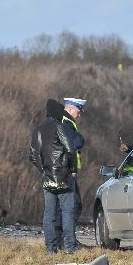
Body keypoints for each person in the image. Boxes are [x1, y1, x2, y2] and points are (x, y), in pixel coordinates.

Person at [29, 99, 77, 254]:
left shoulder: (38, 129)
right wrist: (72, 168)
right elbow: (70, 149)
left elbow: (33, 156)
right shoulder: (60, 127)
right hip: (64, 177)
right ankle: (69, 247)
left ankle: (50, 248)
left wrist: (43, 170)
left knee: (49, 214)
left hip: (47, 177)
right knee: (67, 212)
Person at [58, 97, 86, 250]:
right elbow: (77, 142)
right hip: (67, 171)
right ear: (69, 109)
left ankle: (66, 240)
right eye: (78, 111)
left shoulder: (67, 123)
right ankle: (68, 241)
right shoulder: (67, 124)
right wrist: (81, 138)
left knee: (67, 207)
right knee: (73, 206)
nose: (79, 115)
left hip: (67, 170)